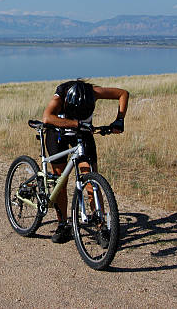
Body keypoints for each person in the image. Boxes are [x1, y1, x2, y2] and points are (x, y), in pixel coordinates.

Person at [42, 79, 129, 243]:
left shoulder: (93, 92)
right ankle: (63, 225)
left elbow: (123, 94)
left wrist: (120, 119)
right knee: (60, 179)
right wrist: (76, 123)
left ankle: (101, 227)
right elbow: (47, 118)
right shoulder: (60, 95)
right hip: (57, 134)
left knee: (92, 180)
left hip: (82, 134)